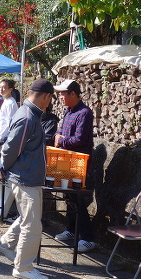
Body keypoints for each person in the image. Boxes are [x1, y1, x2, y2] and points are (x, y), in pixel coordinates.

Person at [0, 78, 55, 279]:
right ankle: (24, 267)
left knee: (27, 217)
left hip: (25, 177)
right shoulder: (28, 116)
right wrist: (6, 168)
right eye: (50, 98)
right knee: (32, 224)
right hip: (25, 178)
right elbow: (11, 148)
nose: (50, 103)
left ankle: (5, 244)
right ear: (45, 96)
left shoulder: (27, 113)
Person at [53, 79, 96, 253]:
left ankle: (88, 238)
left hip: (79, 162)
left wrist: (61, 140)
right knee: (68, 197)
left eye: (63, 93)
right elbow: (60, 131)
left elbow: (79, 140)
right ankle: (71, 229)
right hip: (66, 160)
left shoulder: (85, 113)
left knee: (77, 198)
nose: (61, 97)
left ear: (73, 94)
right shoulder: (68, 111)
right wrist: (58, 136)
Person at [0, 79, 18, 144]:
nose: (1, 89)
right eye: (0, 87)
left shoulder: (10, 103)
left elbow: (11, 123)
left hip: (3, 139)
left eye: (4, 88)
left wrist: (5, 139)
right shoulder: (7, 101)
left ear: (10, 89)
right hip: (0, 137)